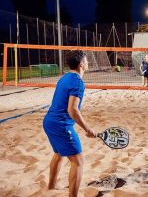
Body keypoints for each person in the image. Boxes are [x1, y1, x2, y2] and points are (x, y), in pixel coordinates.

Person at [43, 51, 96, 197]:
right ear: (81, 64)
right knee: (78, 160)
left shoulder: (64, 77)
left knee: (58, 154)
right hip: (60, 125)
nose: (88, 63)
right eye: (86, 61)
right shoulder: (78, 82)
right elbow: (72, 110)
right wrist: (87, 129)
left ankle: (51, 186)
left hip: (49, 122)